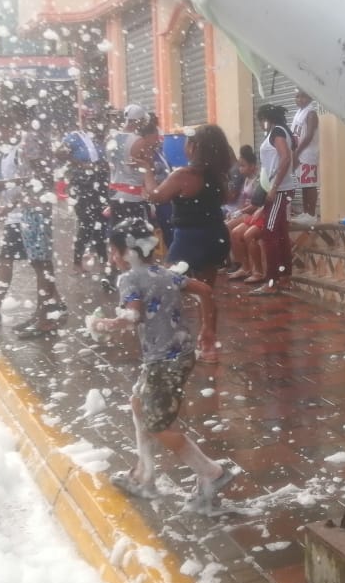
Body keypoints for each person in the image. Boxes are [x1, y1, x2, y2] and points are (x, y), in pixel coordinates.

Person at [90, 219, 238, 512]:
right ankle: (144, 475)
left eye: (114, 251)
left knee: (159, 426)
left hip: (163, 363)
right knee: (138, 403)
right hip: (179, 355)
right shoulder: (166, 273)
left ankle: (212, 473)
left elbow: (132, 316)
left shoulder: (130, 278)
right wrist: (208, 329)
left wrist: (101, 325)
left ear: (128, 252)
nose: (112, 257)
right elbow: (204, 290)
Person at [0, 106, 66, 338]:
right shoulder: (25, 142)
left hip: (33, 209)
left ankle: (45, 318)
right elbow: (35, 176)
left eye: (5, 126)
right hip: (28, 209)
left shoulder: (30, 140)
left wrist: (10, 189)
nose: (1, 132)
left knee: (41, 263)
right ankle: (44, 312)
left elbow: (39, 177)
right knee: (38, 263)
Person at [144, 124, 233, 293]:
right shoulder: (219, 175)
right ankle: (206, 310)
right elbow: (226, 199)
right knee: (206, 291)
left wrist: (146, 171)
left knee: (167, 285)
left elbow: (156, 196)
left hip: (190, 238)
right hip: (216, 235)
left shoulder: (184, 175)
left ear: (193, 147)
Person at [243, 103, 299, 294]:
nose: (260, 124)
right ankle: (284, 277)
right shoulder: (281, 131)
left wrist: (275, 187)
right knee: (280, 234)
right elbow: (287, 159)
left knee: (269, 233)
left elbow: (286, 158)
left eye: (261, 120)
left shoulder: (277, 132)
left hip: (279, 191)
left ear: (266, 119)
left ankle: (272, 281)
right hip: (280, 189)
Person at [59, 114, 108, 272]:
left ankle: (103, 260)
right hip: (82, 185)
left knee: (100, 222)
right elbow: (59, 152)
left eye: (96, 120)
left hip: (99, 184)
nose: (94, 123)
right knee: (86, 223)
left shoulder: (98, 138)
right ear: (83, 121)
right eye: (90, 120)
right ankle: (77, 262)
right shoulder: (75, 137)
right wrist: (81, 164)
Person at [104, 104, 155, 243]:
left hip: (114, 193)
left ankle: (116, 254)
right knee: (136, 236)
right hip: (133, 195)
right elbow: (147, 165)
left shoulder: (110, 137)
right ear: (140, 121)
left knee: (117, 231)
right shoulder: (139, 141)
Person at [290, 90, 321, 219]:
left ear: (310, 98)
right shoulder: (299, 112)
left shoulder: (311, 113)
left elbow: (308, 136)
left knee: (310, 185)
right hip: (300, 153)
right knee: (304, 185)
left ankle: (311, 215)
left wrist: (297, 152)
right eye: (297, 96)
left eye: (303, 96)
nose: (299, 99)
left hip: (308, 154)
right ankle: (305, 213)